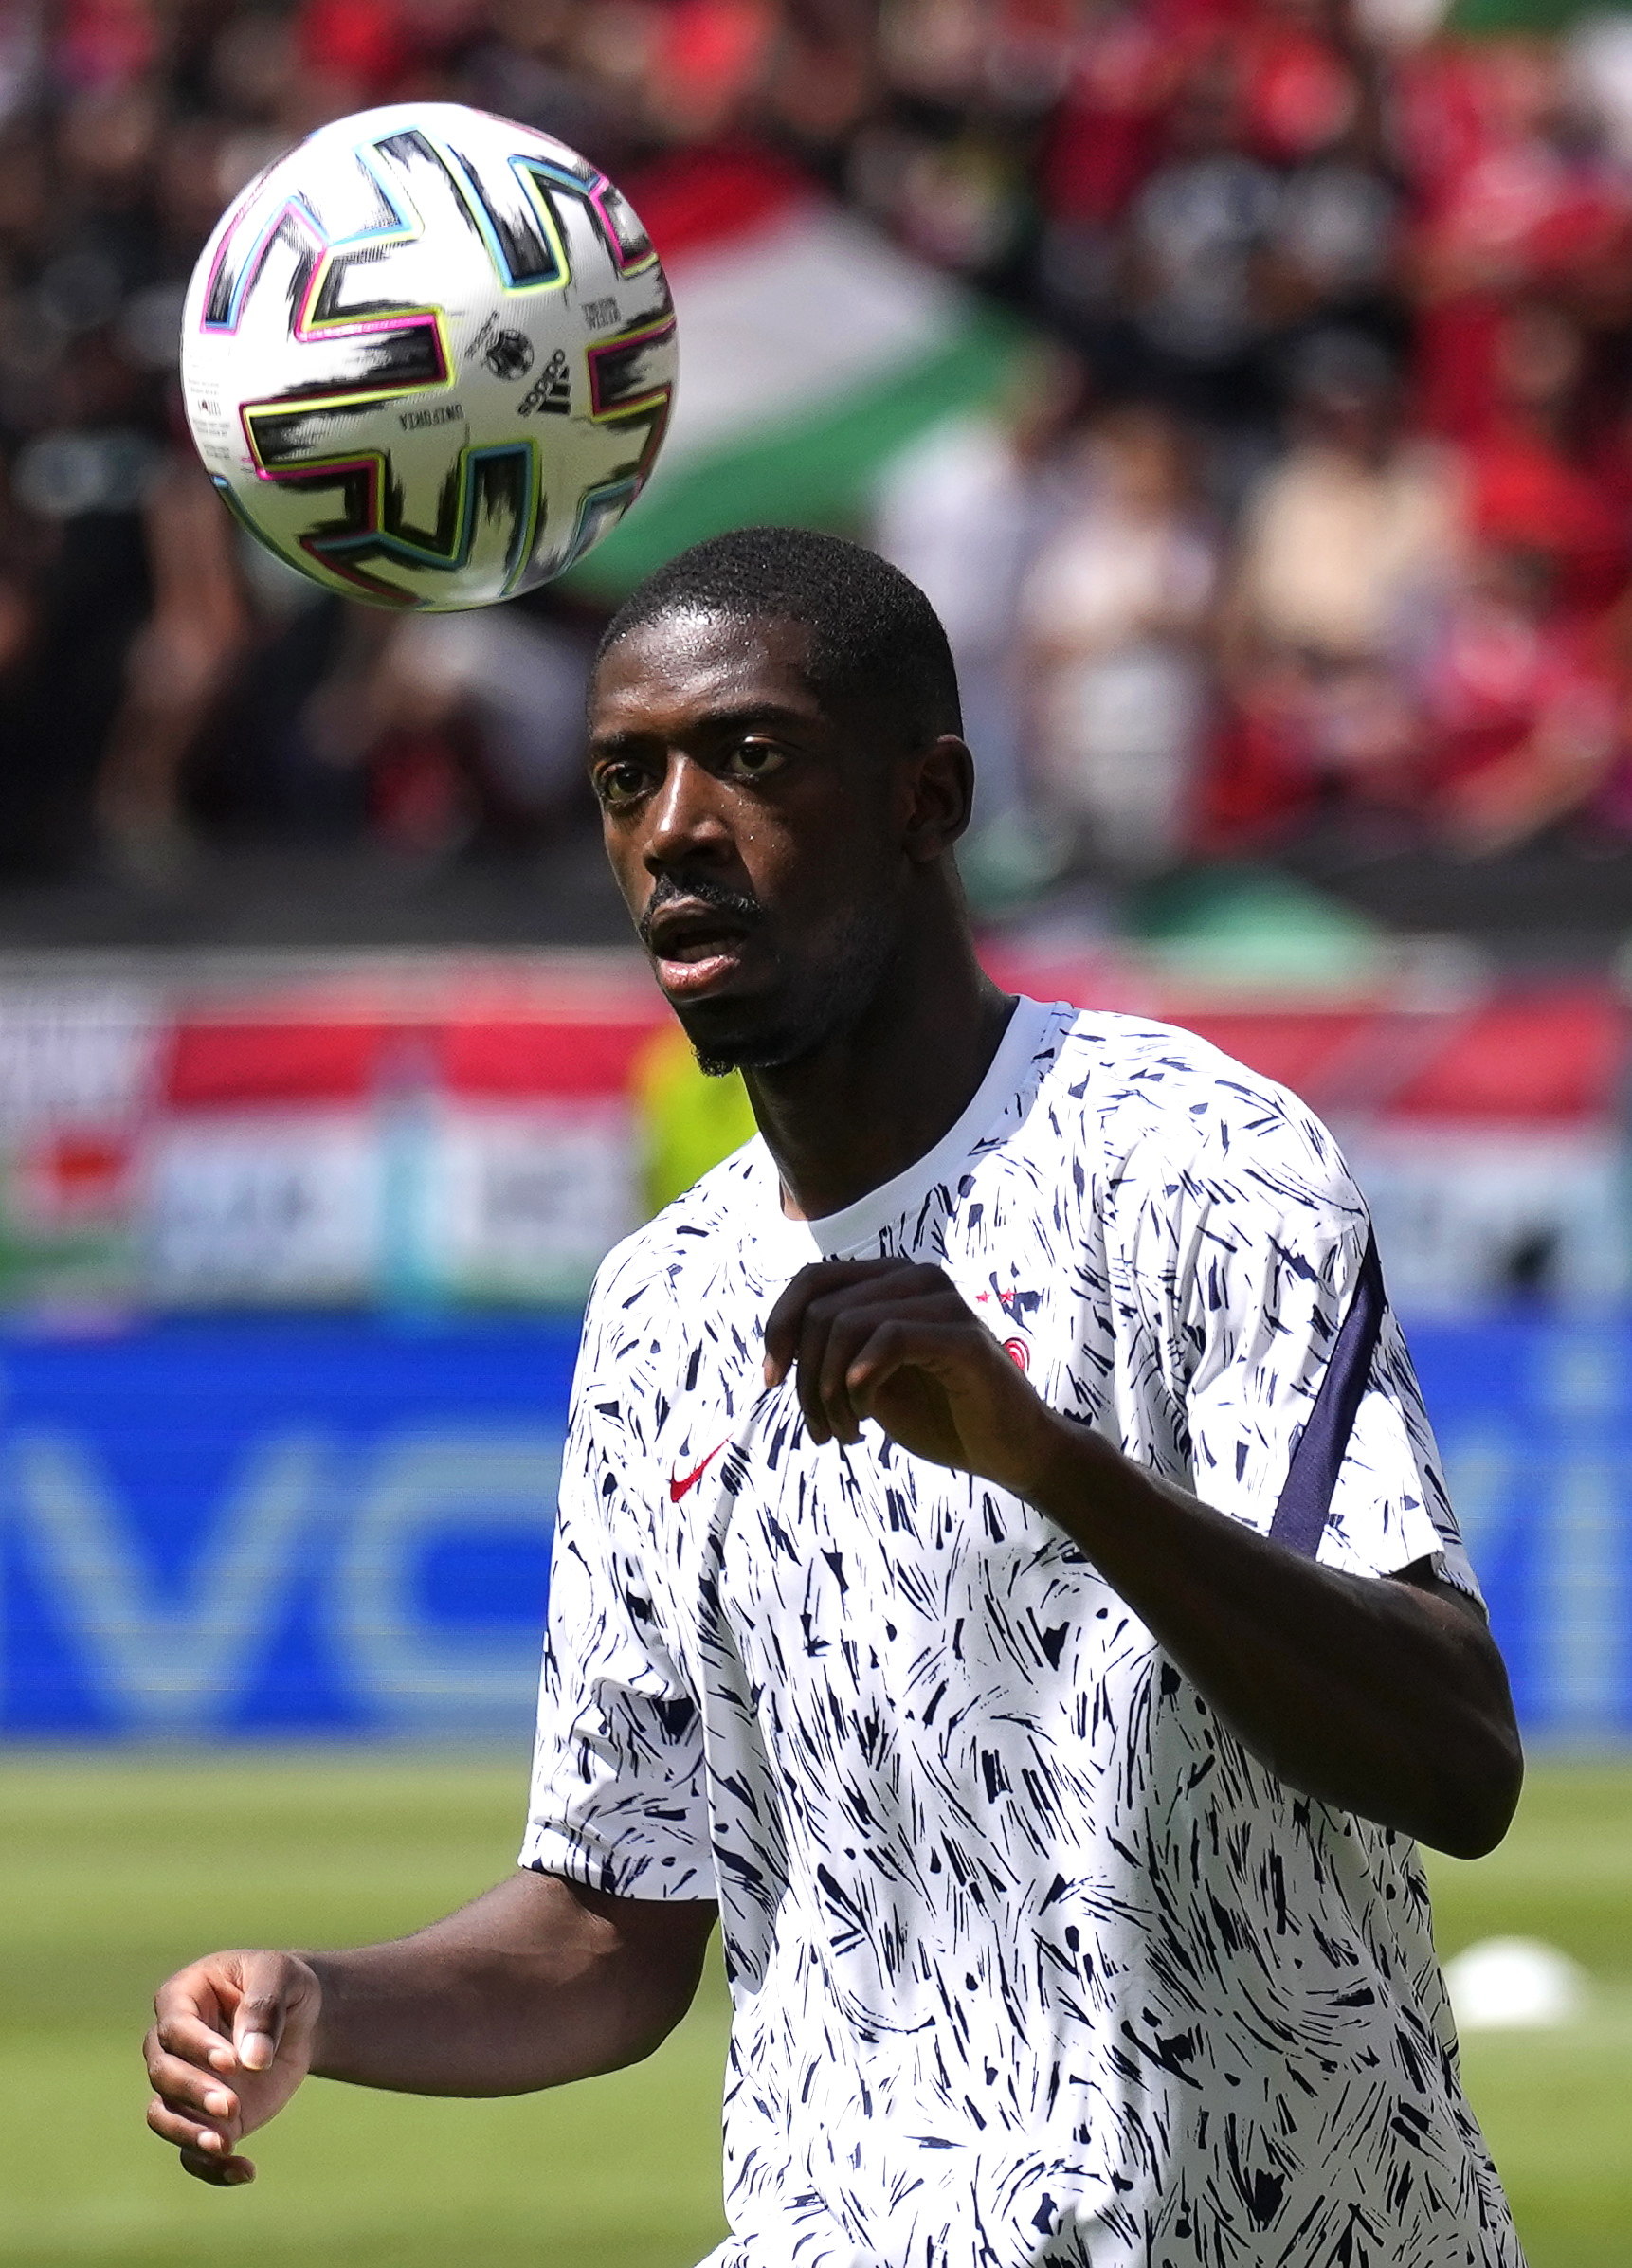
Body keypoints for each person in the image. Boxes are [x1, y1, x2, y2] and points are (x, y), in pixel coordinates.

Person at [143, 527, 1525, 2268]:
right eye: (623, 779)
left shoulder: (1199, 1161)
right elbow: (612, 1928)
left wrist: (1049, 1462)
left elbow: (1455, 1758)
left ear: (927, 796)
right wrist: (317, 2000)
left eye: (753, 756)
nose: (672, 831)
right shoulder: (657, 1307)